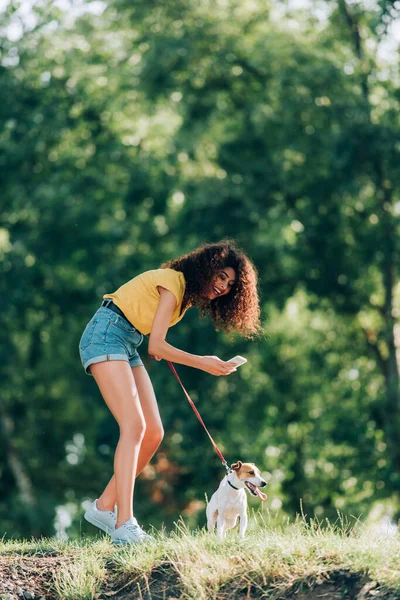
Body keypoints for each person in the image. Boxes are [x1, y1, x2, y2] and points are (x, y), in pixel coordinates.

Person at [79, 239, 261, 545]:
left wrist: (163, 347)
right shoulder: (174, 283)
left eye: (230, 284)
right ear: (206, 269)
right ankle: (124, 524)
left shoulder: (183, 299)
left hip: (127, 340)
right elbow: (158, 345)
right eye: (220, 277)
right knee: (134, 426)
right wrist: (203, 362)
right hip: (106, 334)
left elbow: (153, 340)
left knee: (152, 433)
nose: (223, 287)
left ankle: (104, 507)